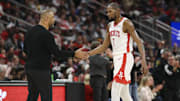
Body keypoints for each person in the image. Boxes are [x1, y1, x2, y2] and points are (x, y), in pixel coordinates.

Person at [88, 2, 148, 101]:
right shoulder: (109, 26)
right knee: (124, 94)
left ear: (118, 11)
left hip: (125, 57)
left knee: (115, 86)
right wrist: (88, 53)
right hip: (117, 59)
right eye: (107, 12)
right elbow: (104, 46)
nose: (108, 14)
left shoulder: (126, 23)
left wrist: (144, 61)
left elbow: (139, 42)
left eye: (110, 11)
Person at [24, 9, 88, 101]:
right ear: (47, 19)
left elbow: (25, 50)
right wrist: (74, 53)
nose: (54, 20)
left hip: (29, 68)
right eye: (53, 17)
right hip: (41, 69)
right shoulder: (46, 35)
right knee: (46, 97)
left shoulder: (29, 32)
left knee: (32, 96)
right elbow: (57, 53)